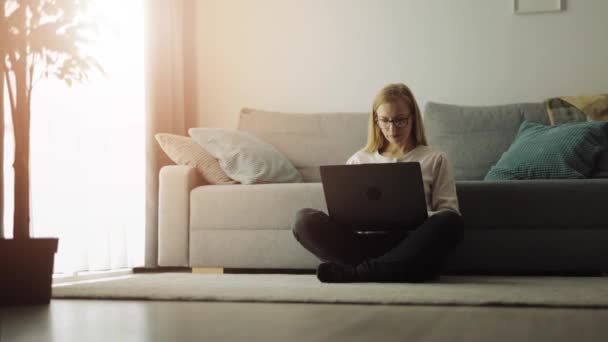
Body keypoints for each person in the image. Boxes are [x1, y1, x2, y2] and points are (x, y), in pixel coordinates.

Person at [291, 83, 464, 283]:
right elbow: (343, 214)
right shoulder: (358, 159)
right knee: (303, 220)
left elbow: (449, 210)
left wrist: (420, 216)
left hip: (409, 243)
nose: (392, 129)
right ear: (376, 120)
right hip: (363, 243)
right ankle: (393, 270)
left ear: (413, 118)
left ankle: (358, 273)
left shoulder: (435, 158)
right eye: (385, 120)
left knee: (451, 222)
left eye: (400, 120)